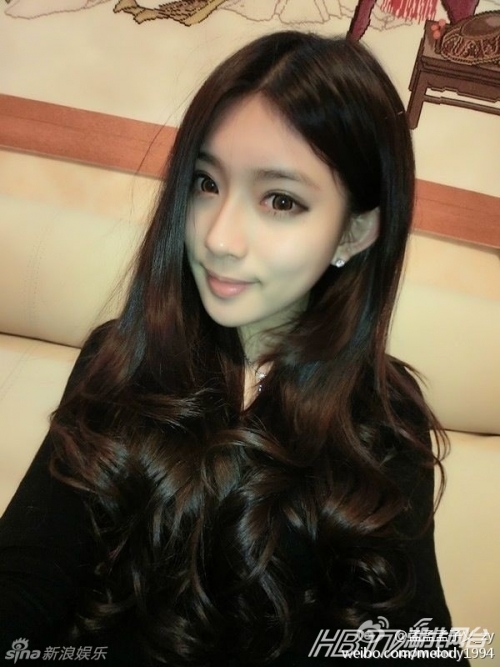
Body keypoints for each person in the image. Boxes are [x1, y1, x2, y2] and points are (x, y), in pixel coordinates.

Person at [0, 31, 468, 666]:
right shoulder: (124, 354)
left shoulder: (382, 418)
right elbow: (28, 576)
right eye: (206, 182)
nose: (219, 238)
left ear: (354, 233)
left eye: (280, 200)